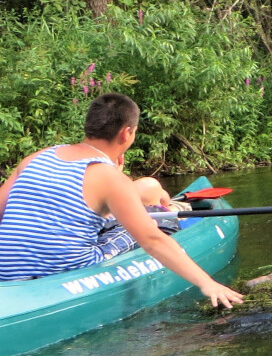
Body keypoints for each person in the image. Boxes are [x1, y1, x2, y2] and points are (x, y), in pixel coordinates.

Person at [0, 92, 245, 307]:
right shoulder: (109, 178)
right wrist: (207, 284)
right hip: (64, 269)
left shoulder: (37, 157)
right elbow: (151, 241)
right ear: (126, 133)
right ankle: (167, 211)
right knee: (153, 221)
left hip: (7, 268)